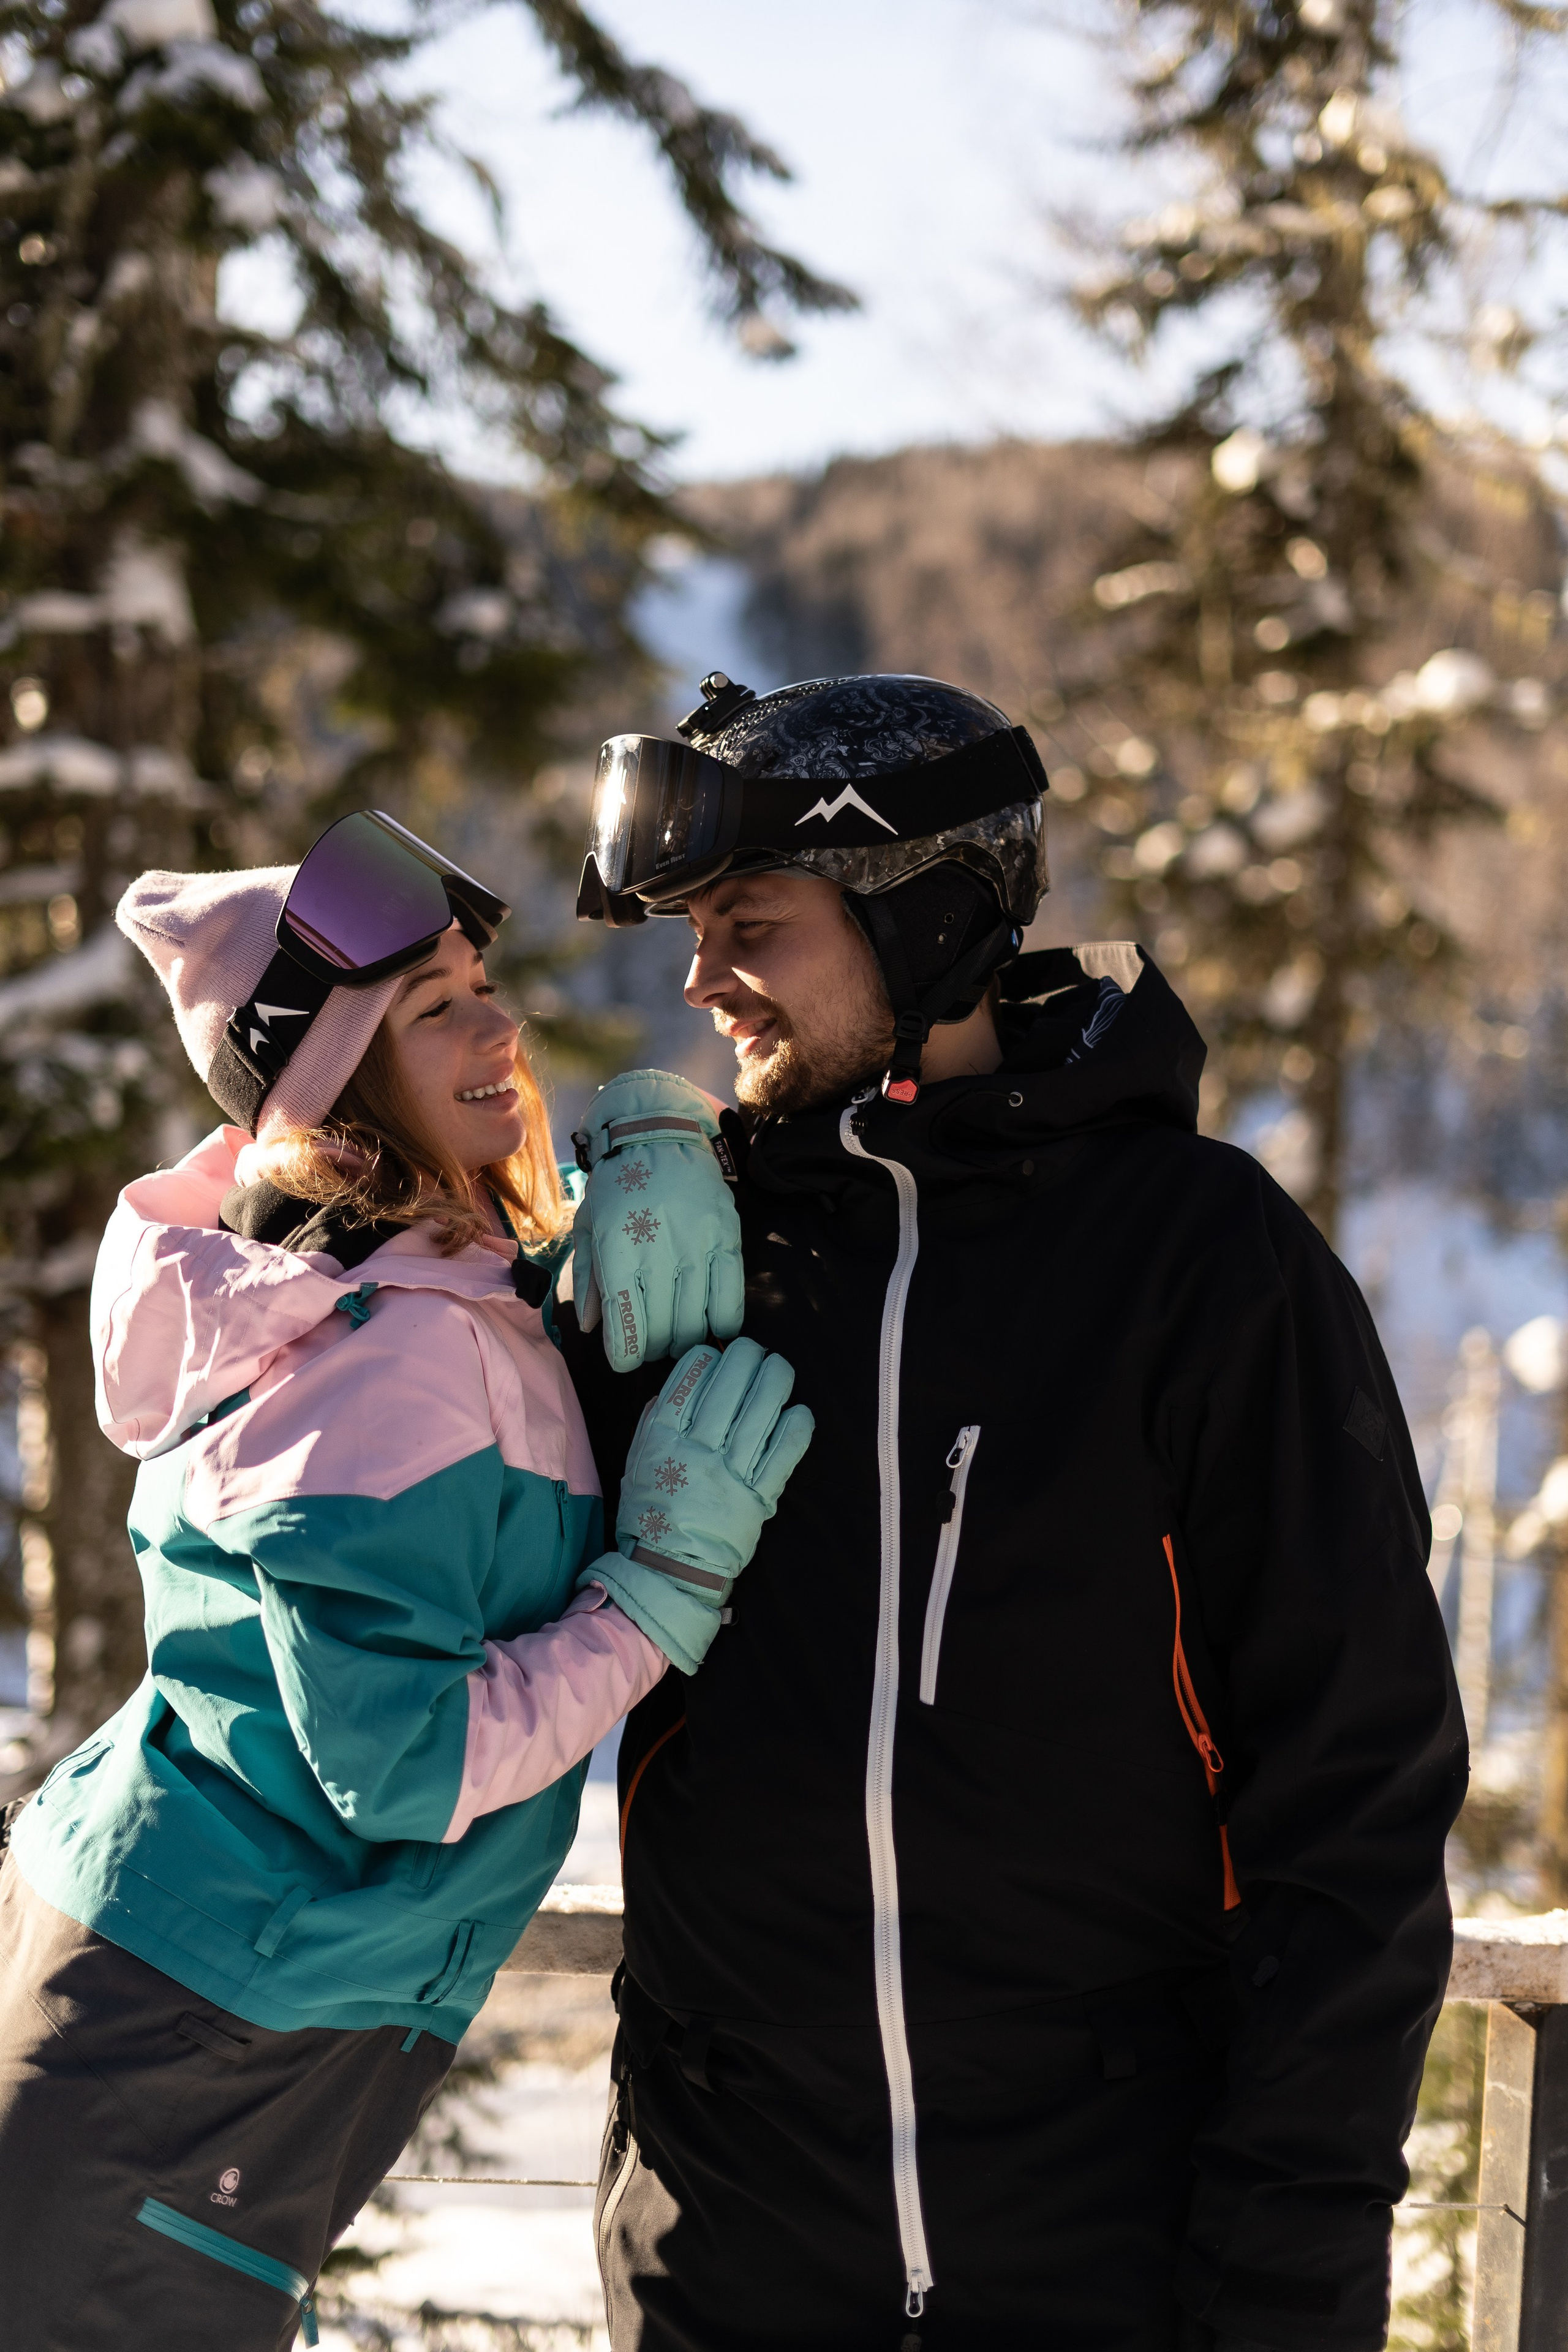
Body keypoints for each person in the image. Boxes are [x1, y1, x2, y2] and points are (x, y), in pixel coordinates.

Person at [561, 673, 1469, 2352]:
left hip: (1118, 2260)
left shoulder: (1199, 1263)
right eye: (691, 935)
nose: (701, 985)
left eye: (751, 923)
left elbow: (1353, 1793)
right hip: (728, 2257)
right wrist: (555, 1209)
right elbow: (406, 1525)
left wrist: (1289, 2269)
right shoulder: (688, 1261)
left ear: (925, 918)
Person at [0, 812, 812, 2352]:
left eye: (481, 982)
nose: (501, 1022)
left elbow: (481, 1396)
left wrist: (643, 1168)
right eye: (435, 1008)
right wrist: (657, 1589)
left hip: (175, 1982)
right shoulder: (392, 1355)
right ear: (339, 1084)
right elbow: (406, 1759)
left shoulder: (356, 1279)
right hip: (201, 2029)